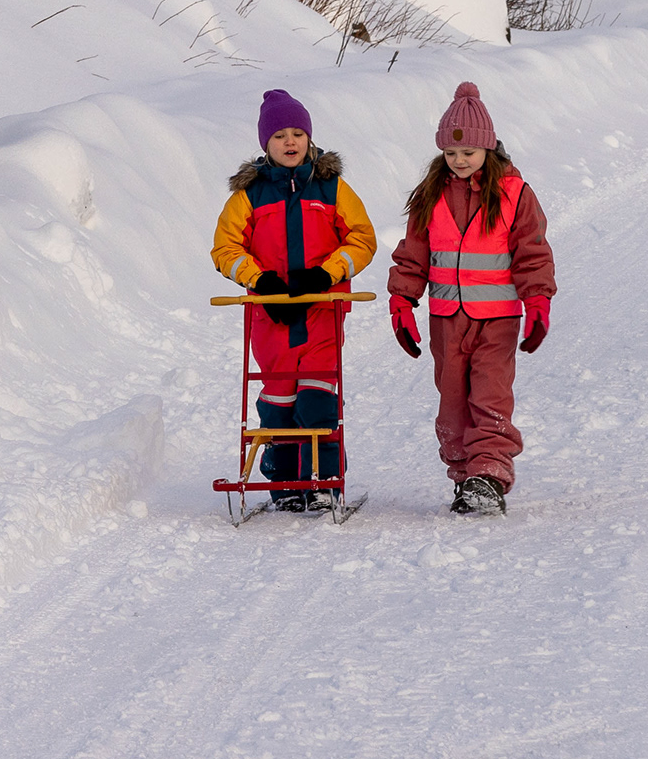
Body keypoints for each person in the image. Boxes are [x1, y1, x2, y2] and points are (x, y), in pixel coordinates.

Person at [384, 80, 553, 515]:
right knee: (453, 403)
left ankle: (489, 473)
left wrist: (538, 302)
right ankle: (465, 477)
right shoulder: (431, 195)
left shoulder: (514, 194)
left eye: (469, 152)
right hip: (446, 320)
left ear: (488, 148)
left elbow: (532, 252)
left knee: (490, 396)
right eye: (451, 152)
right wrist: (401, 303)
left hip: (497, 318)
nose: (459, 160)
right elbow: (413, 254)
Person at [211, 90, 374, 514]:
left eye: (298, 134)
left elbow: (361, 239)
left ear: (309, 138)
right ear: (265, 143)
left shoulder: (332, 187)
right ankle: (284, 482)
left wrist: (326, 273)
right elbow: (225, 248)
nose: (290, 142)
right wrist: (260, 281)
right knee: (279, 400)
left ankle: (323, 481)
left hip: (321, 310)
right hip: (271, 316)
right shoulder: (249, 194)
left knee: (317, 396)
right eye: (280, 135)